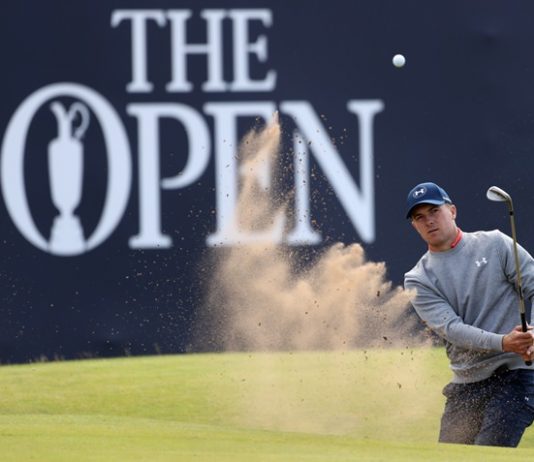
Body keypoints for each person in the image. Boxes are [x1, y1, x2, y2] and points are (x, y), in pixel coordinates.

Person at [404, 181, 534, 447]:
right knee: (451, 456)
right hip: (467, 381)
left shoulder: (495, 244)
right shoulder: (418, 279)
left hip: (517, 373)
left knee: (489, 451)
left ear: (452, 211)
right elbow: (452, 329)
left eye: (434, 211)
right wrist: (503, 342)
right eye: (420, 217)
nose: (429, 221)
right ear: (414, 226)